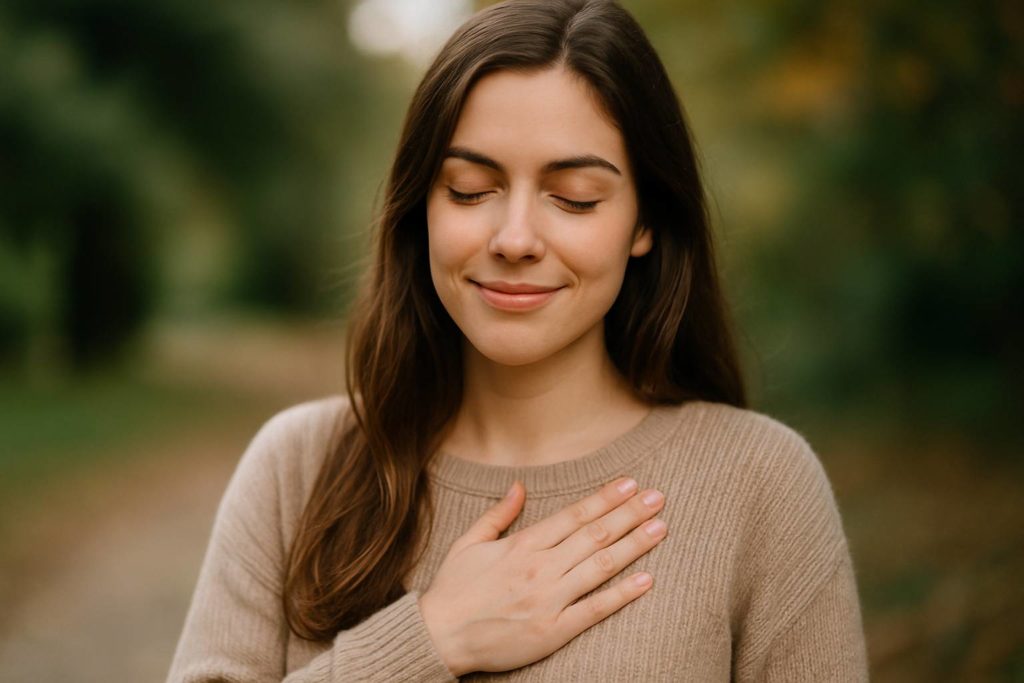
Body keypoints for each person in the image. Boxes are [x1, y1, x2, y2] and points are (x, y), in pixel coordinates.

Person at [167, 0, 868, 680]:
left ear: (645, 222)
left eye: (574, 198)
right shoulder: (297, 469)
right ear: (422, 208)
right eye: (471, 189)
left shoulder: (761, 485)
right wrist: (433, 637)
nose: (515, 239)